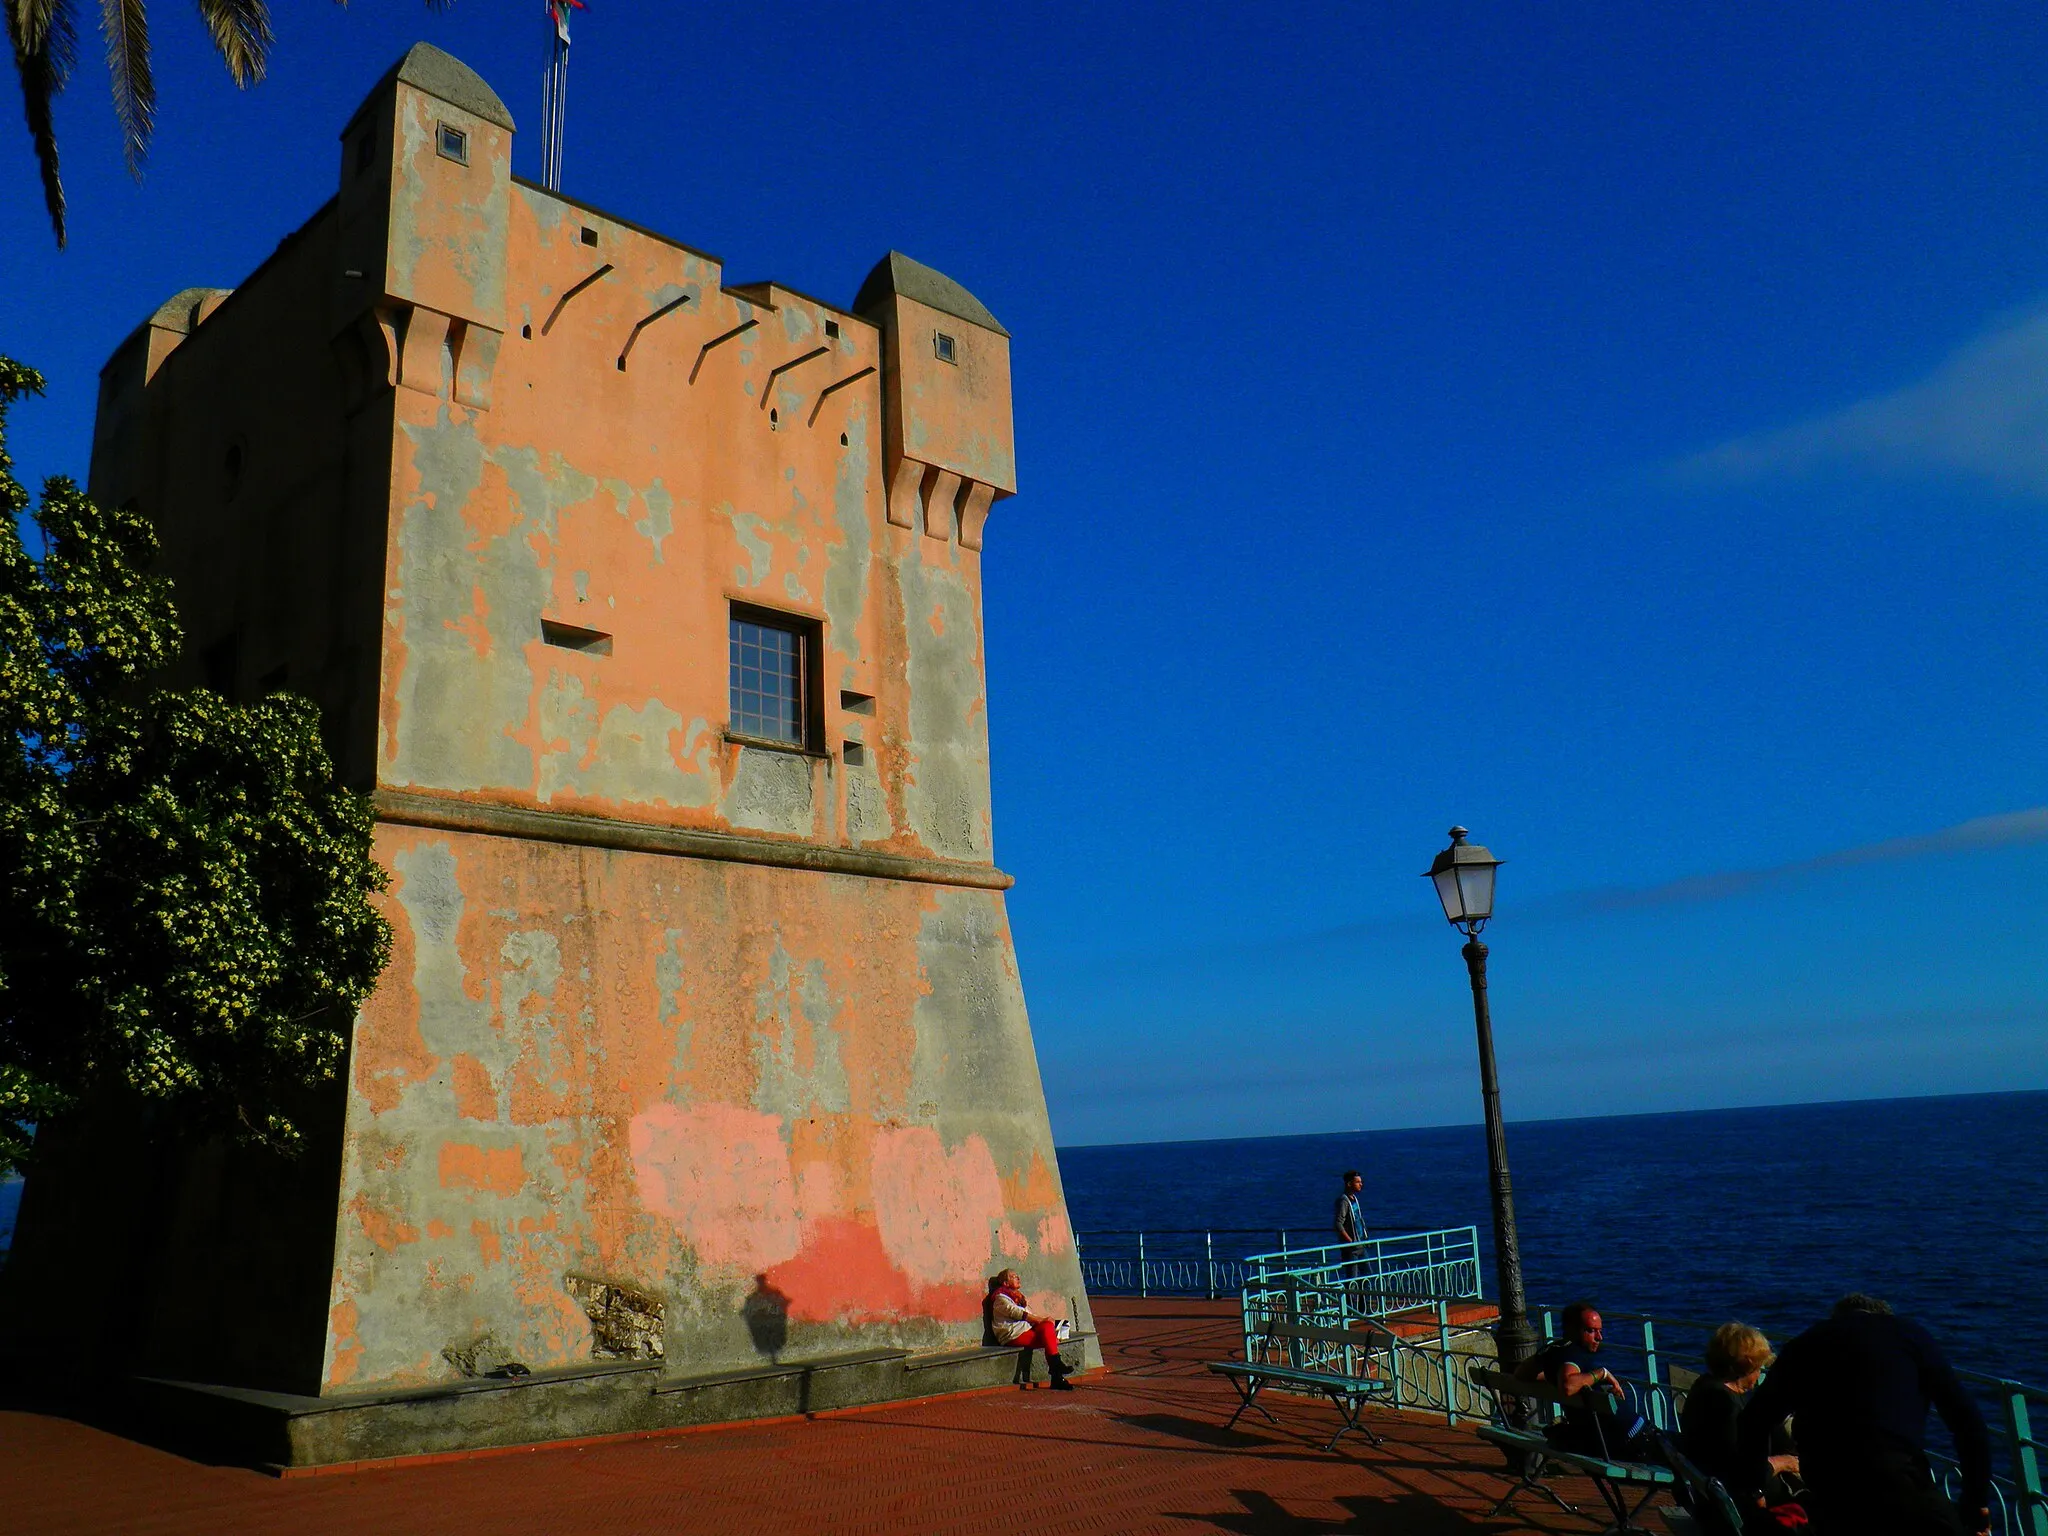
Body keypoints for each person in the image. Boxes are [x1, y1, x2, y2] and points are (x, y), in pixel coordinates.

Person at [1739, 1294, 1990, 1536]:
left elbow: (1755, 1420)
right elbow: (1967, 1422)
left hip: (1830, 1482)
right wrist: (1976, 1501)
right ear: (1883, 1316)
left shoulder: (1807, 1342)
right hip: (1898, 1476)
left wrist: (1755, 1490)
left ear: (1837, 1319)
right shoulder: (1910, 1335)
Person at [1679, 1322, 1801, 1523]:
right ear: (1747, 1365)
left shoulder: (1704, 1386)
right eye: (1760, 1367)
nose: (1760, 1374)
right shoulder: (1725, 1404)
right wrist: (1784, 1463)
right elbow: (1745, 1472)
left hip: (1709, 1492)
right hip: (1741, 1508)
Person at [1536, 1301, 1656, 1460]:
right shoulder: (1574, 1355)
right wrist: (1601, 1374)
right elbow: (1568, 1386)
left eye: (1599, 1331)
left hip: (1610, 1440)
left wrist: (1554, 1376)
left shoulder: (1553, 1352)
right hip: (1635, 1441)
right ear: (1573, 1330)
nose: (1599, 1337)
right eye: (1591, 1331)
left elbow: (1520, 1373)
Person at [985, 1269, 1073, 1390]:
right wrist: (1041, 1321)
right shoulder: (1000, 1298)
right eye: (1013, 1276)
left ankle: (1056, 1369)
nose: (1018, 1278)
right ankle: (1056, 1372)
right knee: (1049, 1338)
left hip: (1026, 1330)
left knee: (1048, 1327)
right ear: (1005, 1283)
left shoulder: (1018, 1298)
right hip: (1013, 1335)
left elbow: (1030, 1315)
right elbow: (1015, 1312)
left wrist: (1045, 1322)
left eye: (1017, 1275)